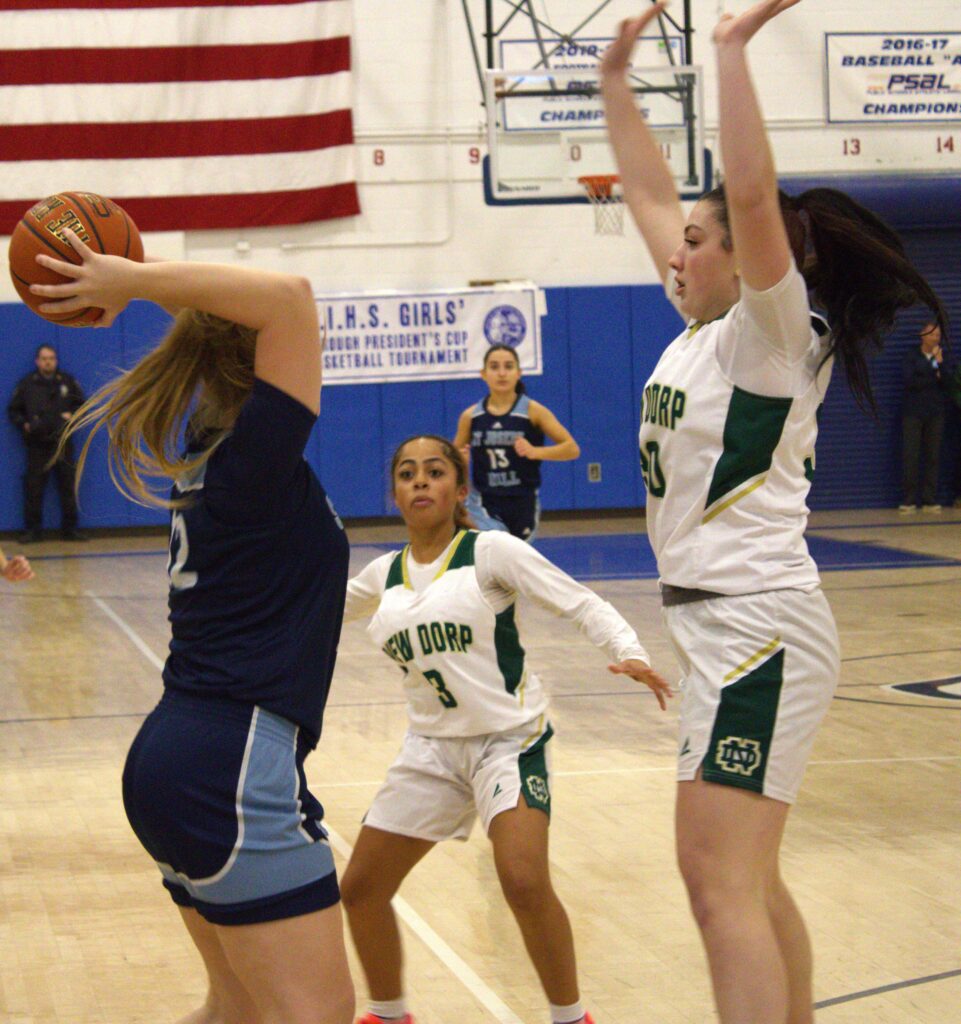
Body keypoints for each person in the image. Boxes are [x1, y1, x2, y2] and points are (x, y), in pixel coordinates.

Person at [600, 3, 947, 1023]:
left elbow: (746, 191)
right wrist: (617, 85)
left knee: (716, 885)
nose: (677, 246)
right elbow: (654, 192)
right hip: (727, 625)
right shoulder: (706, 323)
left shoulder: (769, 326)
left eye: (699, 239)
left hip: (753, 628)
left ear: (748, 257)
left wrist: (728, 52)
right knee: (745, 879)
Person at [37, 229, 354, 1024]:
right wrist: (133, 277)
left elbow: (270, 310)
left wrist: (153, 285)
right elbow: (290, 300)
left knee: (235, 1011)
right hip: (231, 761)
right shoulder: (252, 460)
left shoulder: (213, 451)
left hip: (180, 758)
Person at [338, 434, 671, 1024]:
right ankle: (389, 1014)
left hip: (507, 742)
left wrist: (629, 649)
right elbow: (312, 613)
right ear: (394, 494)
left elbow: (579, 602)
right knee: (361, 888)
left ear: (458, 489)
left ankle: (571, 1018)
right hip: (429, 750)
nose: (420, 481)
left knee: (521, 879)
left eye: (434, 471)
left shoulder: (489, 552)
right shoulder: (381, 575)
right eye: (408, 473)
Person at [453, 344, 580, 541]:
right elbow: (451, 463)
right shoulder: (471, 416)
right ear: (483, 374)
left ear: (519, 373)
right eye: (494, 367)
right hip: (483, 502)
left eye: (508, 366)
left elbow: (571, 449)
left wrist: (535, 452)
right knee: (497, 547)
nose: (502, 373)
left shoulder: (533, 411)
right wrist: (460, 460)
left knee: (513, 564)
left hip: (524, 502)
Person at [7, 344, 87, 542]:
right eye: (44, 358)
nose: (48, 361)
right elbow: (13, 410)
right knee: (33, 488)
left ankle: (70, 529)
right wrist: (24, 424)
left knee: (68, 486)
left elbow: (82, 406)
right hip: (37, 444)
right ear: (37, 361)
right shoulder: (27, 384)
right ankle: (33, 531)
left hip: (62, 443)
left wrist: (72, 417)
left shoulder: (67, 382)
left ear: (56, 360)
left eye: (51, 358)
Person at [900, 320, 948, 513]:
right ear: (922, 336)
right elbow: (911, 380)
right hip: (913, 412)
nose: (935, 338)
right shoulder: (912, 356)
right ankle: (909, 499)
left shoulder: (943, 357)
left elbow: (945, 381)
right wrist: (932, 366)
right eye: (931, 334)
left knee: (933, 456)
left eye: (937, 335)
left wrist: (937, 368)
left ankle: (929, 499)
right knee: (911, 455)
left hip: (935, 412)